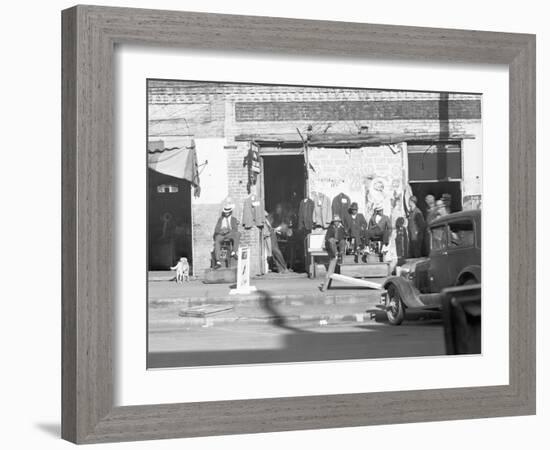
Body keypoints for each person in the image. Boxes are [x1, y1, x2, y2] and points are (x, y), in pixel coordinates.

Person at [320, 214, 346, 292]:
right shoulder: (330, 228)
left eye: (338, 221)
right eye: (335, 221)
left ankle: (341, 254)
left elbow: (343, 237)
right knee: (331, 242)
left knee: (343, 241)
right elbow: (327, 237)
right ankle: (335, 255)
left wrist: (340, 240)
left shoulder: (341, 228)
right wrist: (332, 239)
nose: (336, 223)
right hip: (332, 243)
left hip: (338, 242)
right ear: (333, 222)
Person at [213, 202, 241, 269]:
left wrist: (228, 230)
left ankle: (234, 252)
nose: (226, 213)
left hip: (229, 234)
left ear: (230, 212)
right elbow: (216, 229)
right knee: (217, 240)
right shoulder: (220, 219)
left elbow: (235, 229)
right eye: (225, 212)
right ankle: (218, 261)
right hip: (221, 234)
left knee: (237, 234)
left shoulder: (233, 219)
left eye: (228, 212)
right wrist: (221, 231)